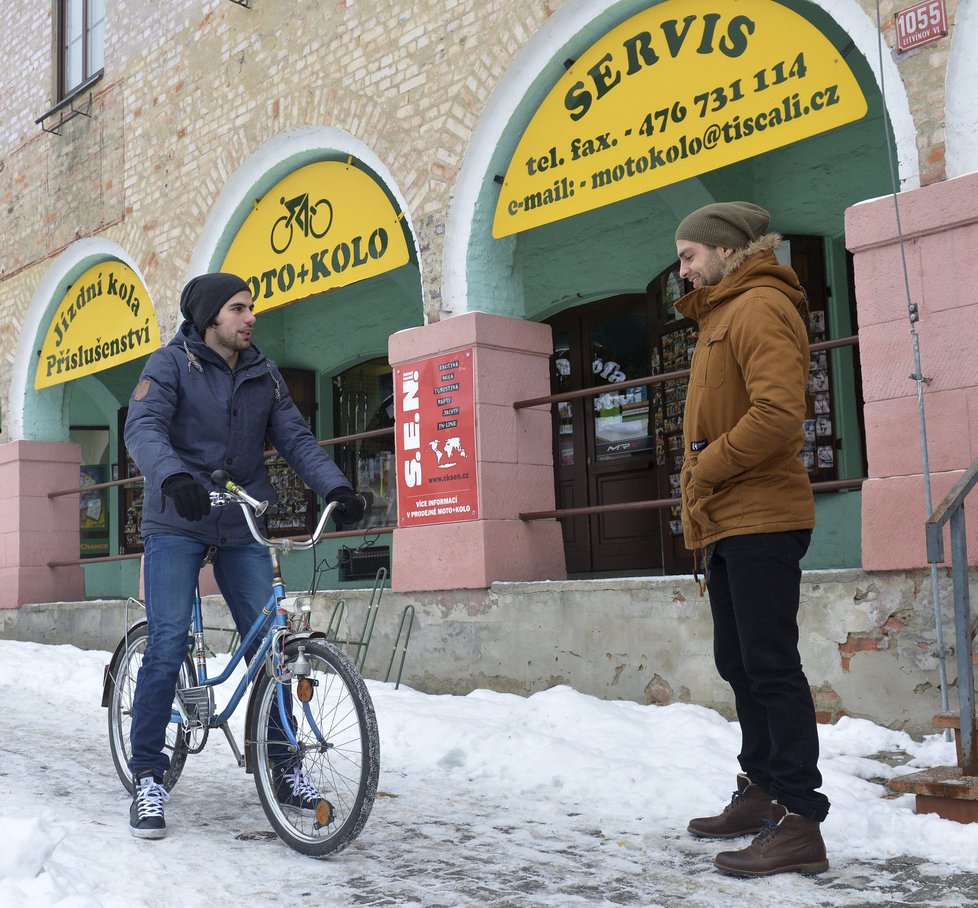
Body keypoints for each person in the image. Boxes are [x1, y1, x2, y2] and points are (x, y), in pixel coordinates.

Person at [123, 272, 364, 839]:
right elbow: (145, 427)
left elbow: (296, 439)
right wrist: (174, 476)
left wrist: (334, 487)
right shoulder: (169, 365)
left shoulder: (263, 372)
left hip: (241, 519)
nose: (250, 317)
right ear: (210, 319)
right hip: (177, 516)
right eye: (238, 309)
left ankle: (283, 767)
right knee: (166, 643)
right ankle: (149, 776)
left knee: (272, 645)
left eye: (251, 307)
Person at [672, 202, 829, 876]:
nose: (682, 269)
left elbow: (778, 415)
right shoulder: (723, 313)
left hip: (762, 514)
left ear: (728, 250)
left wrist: (706, 466)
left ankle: (800, 820)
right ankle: (762, 791)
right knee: (740, 664)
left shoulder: (759, 305)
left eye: (689, 255)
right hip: (730, 519)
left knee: (770, 667)